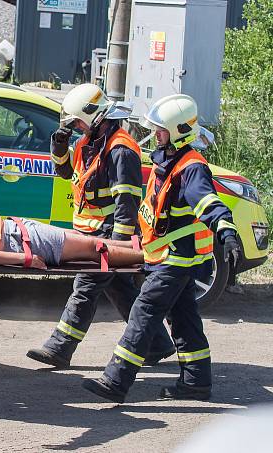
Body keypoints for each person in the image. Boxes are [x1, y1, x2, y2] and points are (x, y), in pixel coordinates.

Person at [82, 94, 241, 403]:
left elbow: (207, 202)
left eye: (162, 131)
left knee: (144, 312)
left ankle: (116, 380)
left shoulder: (191, 167)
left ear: (179, 131)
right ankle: (196, 382)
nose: (156, 136)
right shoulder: (169, 160)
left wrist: (226, 229)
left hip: (176, 258)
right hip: (166, 255)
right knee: (184, 318)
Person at [27, 84, 176, 368]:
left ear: (94, 117)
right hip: (92, 231)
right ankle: (156, 343)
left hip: (109, 234)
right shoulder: (88, 142)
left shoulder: (121, 149)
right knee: (119, 288)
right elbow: (66, 172)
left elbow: (127, 202)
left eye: (78, 121)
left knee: (85, 286)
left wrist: (117, 244)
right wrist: (59, 148)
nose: (76, 127)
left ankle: (60, 347)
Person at [0, 213, 144, 269]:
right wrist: (25, 259)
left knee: (82, 238)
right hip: (16, 240)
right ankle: (150, 257)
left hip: (16, 227)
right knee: (92, 249)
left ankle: (139, 245)